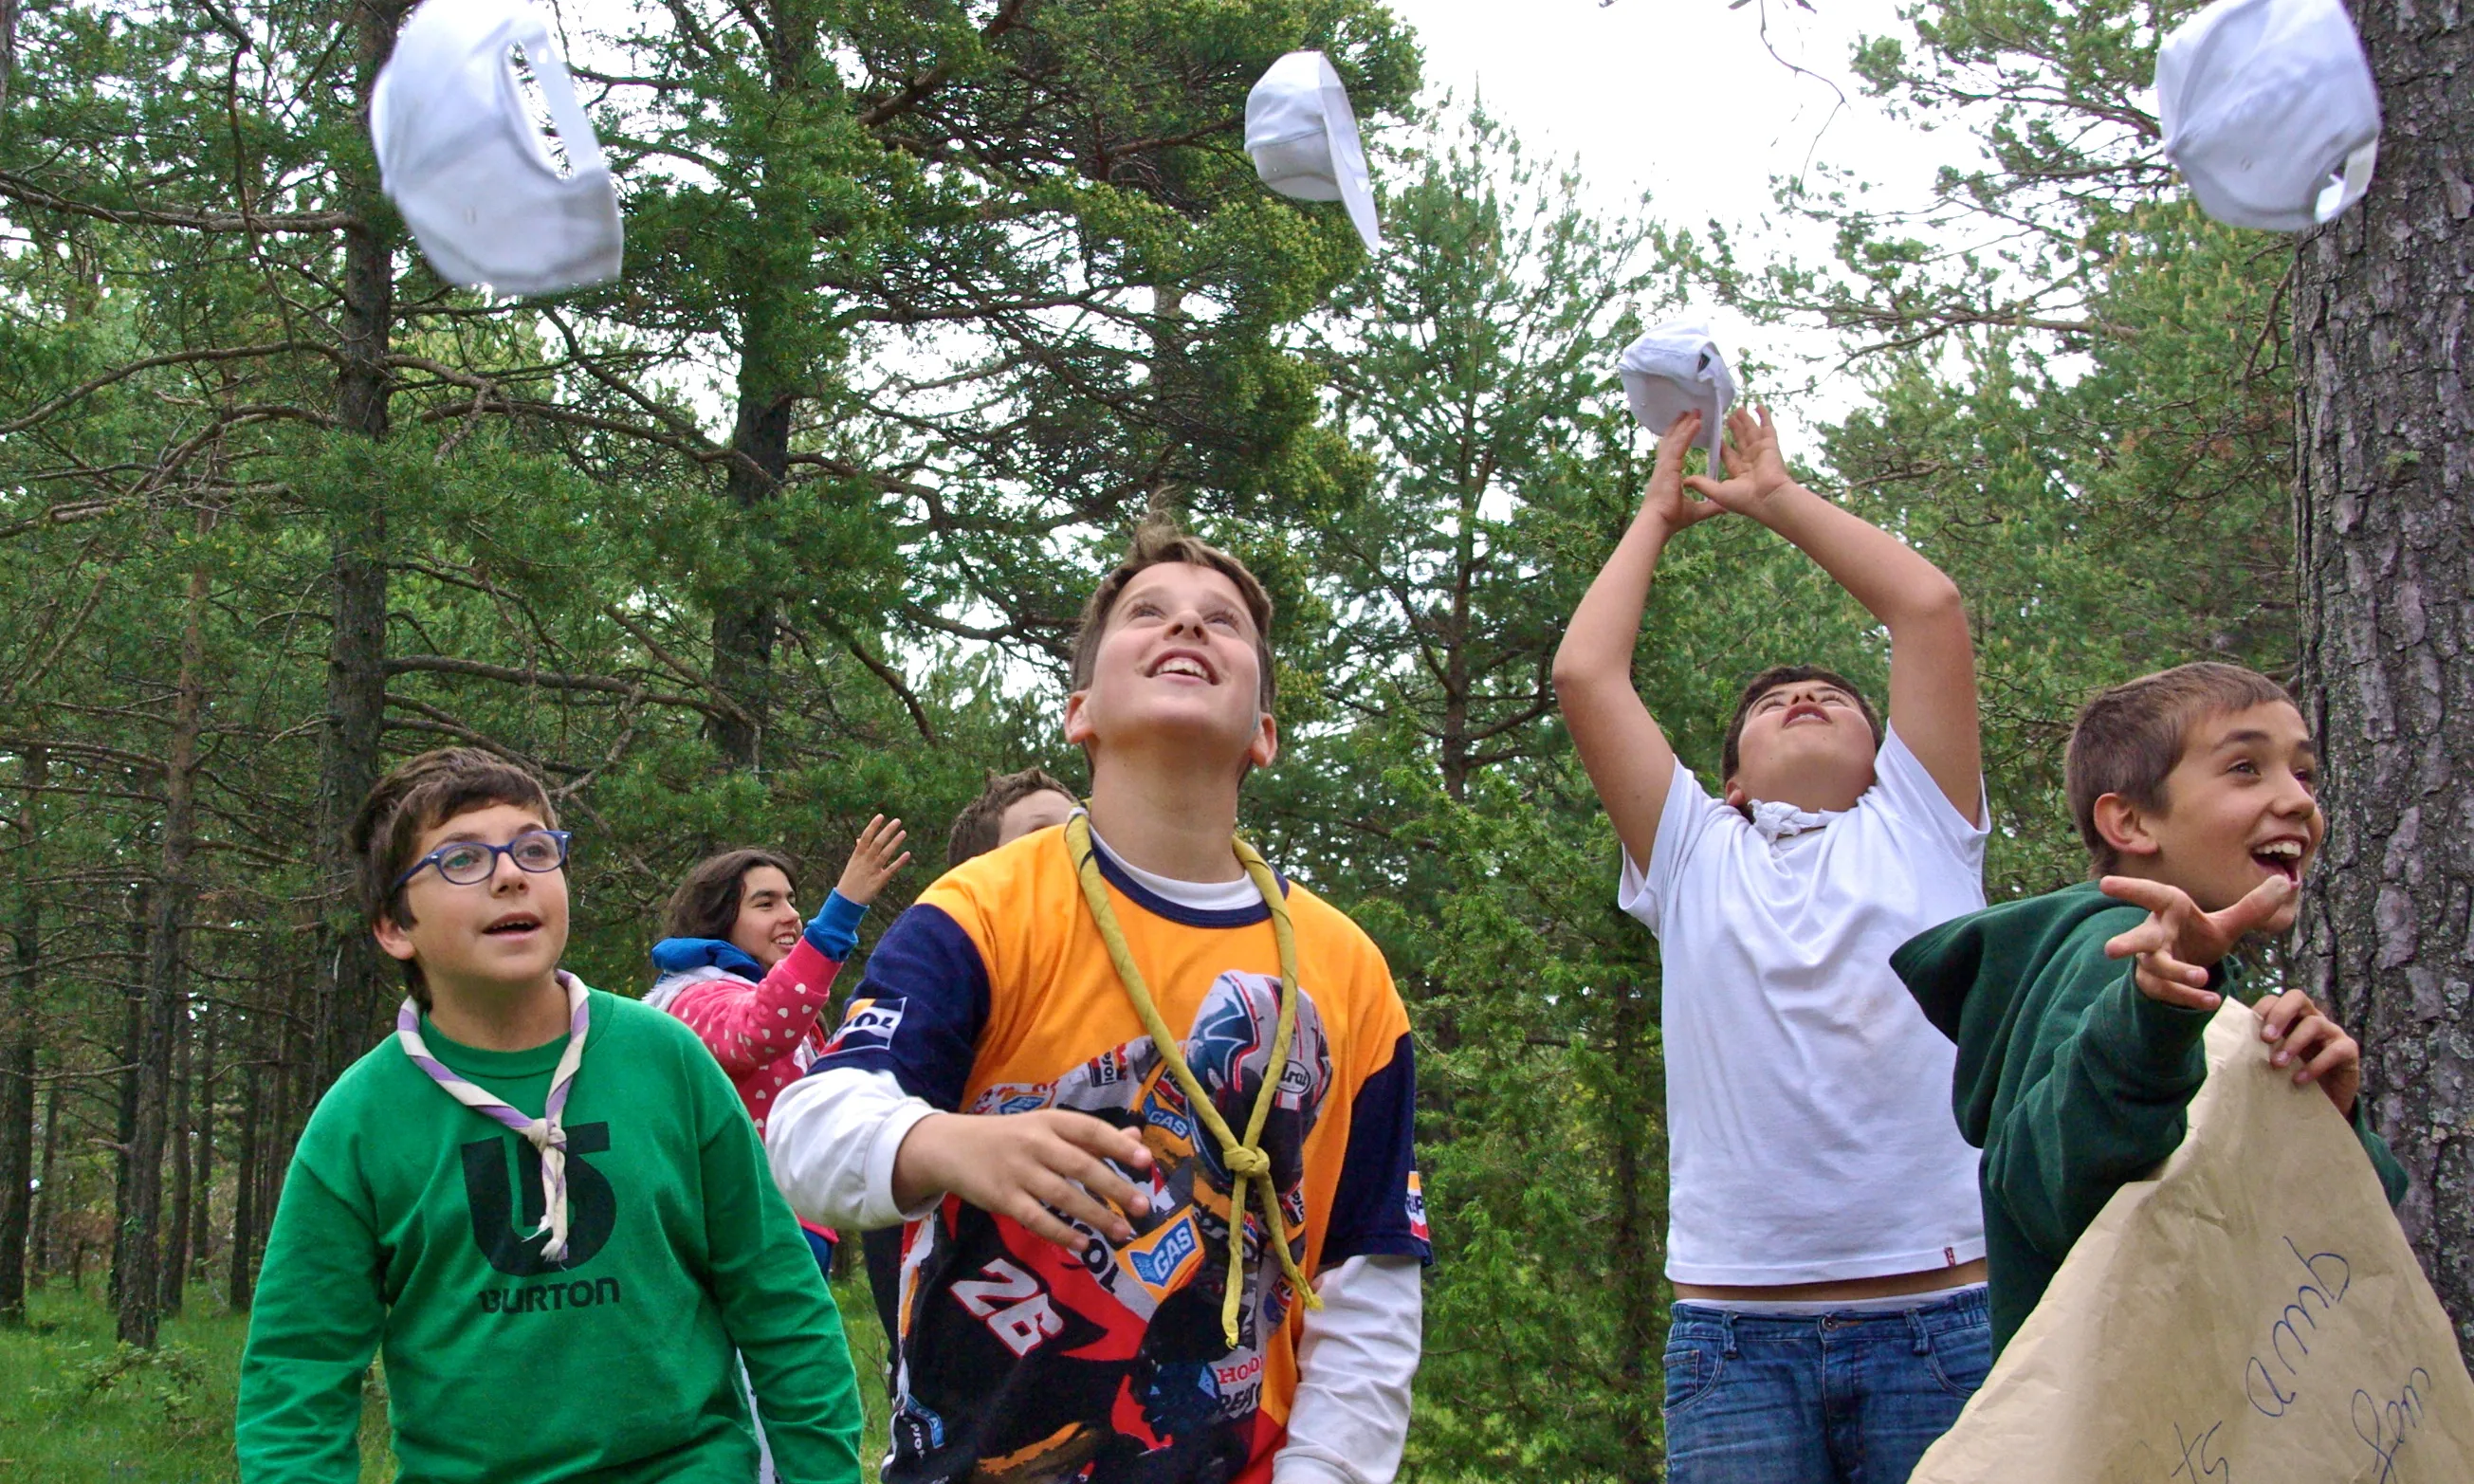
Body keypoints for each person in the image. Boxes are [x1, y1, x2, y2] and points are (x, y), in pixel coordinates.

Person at [767, 524, 1429, 1484]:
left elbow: (1368, 1281)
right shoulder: (984, 909)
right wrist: (950, 1144)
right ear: (1080, 711)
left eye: (1223, 623)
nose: (1187, 626)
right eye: (1147, 612)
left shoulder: (1347, 970)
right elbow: (807, 1130)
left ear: (1264, 732)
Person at [1552, 407, 1995, 1482]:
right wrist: (1653, 517)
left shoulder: (1922, 823)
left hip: (1942, 1322)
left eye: (1834, 697)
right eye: (1768, 703)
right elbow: (1584, 676)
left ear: (1886, 752)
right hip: (1734, 1337)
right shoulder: (1696, 851)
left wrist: (1778, 500)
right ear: (1732, 780)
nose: (1802, 695)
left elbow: (1926, 608)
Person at [236, 747, 863, 1484]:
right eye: (462, 858)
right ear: (392, 927)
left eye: (534, 848)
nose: (510, 873)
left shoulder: (667, 1060)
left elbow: (779, 1297)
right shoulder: (360, 1120)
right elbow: (298, 1373)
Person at [1892, 662, 2409, 1357]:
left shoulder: (2199, 992)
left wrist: (2330, 1120)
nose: (2297, 802)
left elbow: (2320, 1241)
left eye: (2304, 774)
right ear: (2130, 820)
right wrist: (2152, 1013)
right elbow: (2050, 1187)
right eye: (2246, 768)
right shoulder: (2108, 951)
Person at [857, 770, 1081, 1358]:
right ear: (982, 871)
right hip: (983, 1324)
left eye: (1083, 830)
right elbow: (860, 1144)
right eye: (1040, 835)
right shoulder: (948, 977)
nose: (1071, 846)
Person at [650, 818, 913, 1268]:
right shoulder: (694, 997)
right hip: (743, 1228)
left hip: (794, 1223)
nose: (791, 915)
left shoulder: (778, 1007)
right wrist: (840, 914)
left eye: (791, 900)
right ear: (719, 919)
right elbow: (757, 1031)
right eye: (765, 903)